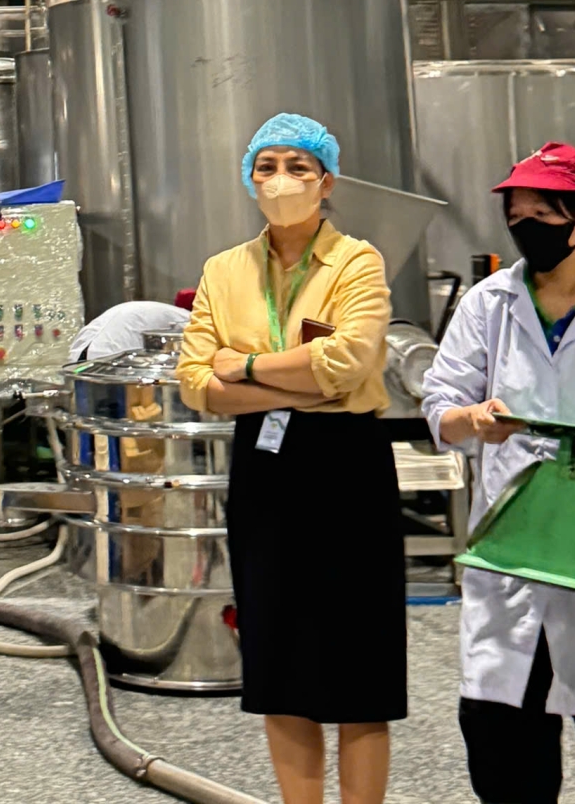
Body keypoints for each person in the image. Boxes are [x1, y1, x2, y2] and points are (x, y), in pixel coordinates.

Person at [176, 112, 404, 804]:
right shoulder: (223, 270)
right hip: (265, 470)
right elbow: (195, 384)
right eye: (267, 167)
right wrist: (299, 382)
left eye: (298, 167)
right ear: (250, 179)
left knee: (360, 666)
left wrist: (243, 366)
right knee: (279, 660)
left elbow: (347, 362)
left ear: (326, 181)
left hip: (348, 467)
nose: (281, 180)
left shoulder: (357, 261)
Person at [422, 141, 575, 804]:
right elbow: (440, 402)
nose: (526, 228)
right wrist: (472, 419)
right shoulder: (489, 303)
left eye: (542, 215)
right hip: (511, 554)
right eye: (516, 216)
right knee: (503, 748)